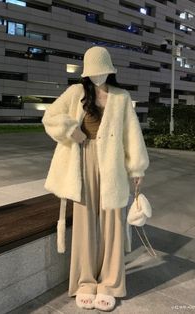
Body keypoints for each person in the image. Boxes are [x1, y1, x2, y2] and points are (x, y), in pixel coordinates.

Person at [42, 46, 149, 311]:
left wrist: (137, 168)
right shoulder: (76, 93)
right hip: (81, 160)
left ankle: (111, 284)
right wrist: (71, 131)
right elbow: (50, 117)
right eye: (93, 72)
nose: (98, 76)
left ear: (110, 70)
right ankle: (85, 282)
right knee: (84, 222)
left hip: (112, 164)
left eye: (102, 71)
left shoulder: (122, 97)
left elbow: (131, 134)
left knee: (113, 222)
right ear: (87, 73)